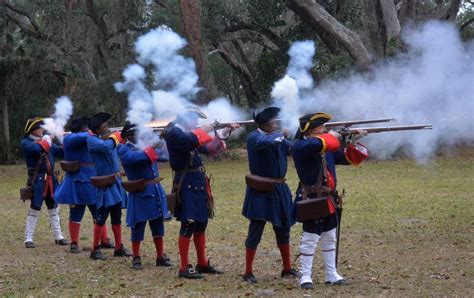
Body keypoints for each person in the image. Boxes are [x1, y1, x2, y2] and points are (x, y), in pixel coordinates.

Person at [291, 112, 368, 289]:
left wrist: (353, 141)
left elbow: (349, 158)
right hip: (312, 198)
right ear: (309, 131)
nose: (324, 130)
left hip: (329, 198)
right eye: (320, 128)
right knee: (310, 238)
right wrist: (332, 136)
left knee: (329, 236)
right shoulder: (300, 146)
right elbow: (322, 143)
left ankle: (331, 273)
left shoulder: (324, 147)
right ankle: (305, 275)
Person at [162, 108, 234, 279]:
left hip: (197, 182)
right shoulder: (174, 133)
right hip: (187, 183)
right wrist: (206, 129)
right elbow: (191, 140)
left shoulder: (187, 133)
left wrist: (224, 131)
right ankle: (184, 267)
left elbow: (208, 149)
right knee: (188, 224)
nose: (196, 124)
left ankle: (202, 263)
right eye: (194, 120)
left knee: (201, 223)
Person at [241, 107, 298, 283]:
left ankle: (287, 268)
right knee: (255, 231)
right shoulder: (254, 137)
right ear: (264, 123)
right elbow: (265, 142)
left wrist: (304, 136)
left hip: (279, 189)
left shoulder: (277, 137)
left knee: (284, 230)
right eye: (273, 121)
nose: (275, 124)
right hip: (261, 189)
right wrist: (282, 134)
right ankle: (248, 271)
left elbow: (294, 149)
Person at [55, 117, 114, 253]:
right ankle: (74, 242)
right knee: (76, 212)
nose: (88, 130)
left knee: (98, 212)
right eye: (86, 128)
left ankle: (104, 239)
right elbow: (81, 136)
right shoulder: (70, 138)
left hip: (93, 179)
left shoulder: (87, 138)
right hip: (78, 180)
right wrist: (93, 132)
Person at [118, 122, 172, 270]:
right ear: (129, 136)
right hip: (140, 191)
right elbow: (134, 158)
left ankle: (160, 256)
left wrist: (164, 140)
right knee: (138, 226)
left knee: (157, 224)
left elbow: (165, 157)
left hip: (154, 189)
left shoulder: (145, 146)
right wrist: (152, 145)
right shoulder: (123, 149)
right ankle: (136, 257)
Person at [87, 112, 131, 260]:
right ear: (97, 129)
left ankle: (119, 247)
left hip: (116, 182)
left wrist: (124, 136)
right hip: (106, 183)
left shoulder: (107, 139)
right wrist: (115, 137)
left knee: (117, 217)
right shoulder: (92, 141)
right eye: (104, 126)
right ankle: (95, 248)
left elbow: (119, 147)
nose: (107, 128)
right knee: (101, 217)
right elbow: (106, 147)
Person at [21, 117, 68, 248]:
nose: (42, 129)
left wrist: (66, 139)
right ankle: (28, 238)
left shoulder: (46, 141)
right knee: (35, 208)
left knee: (53, 207)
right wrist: (48, 139)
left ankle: (59, 237)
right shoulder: (26, 142)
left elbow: (62, 151)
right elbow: (36, 150)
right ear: (33, 130)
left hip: (51, 179)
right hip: (37, 180)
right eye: (39, 128)